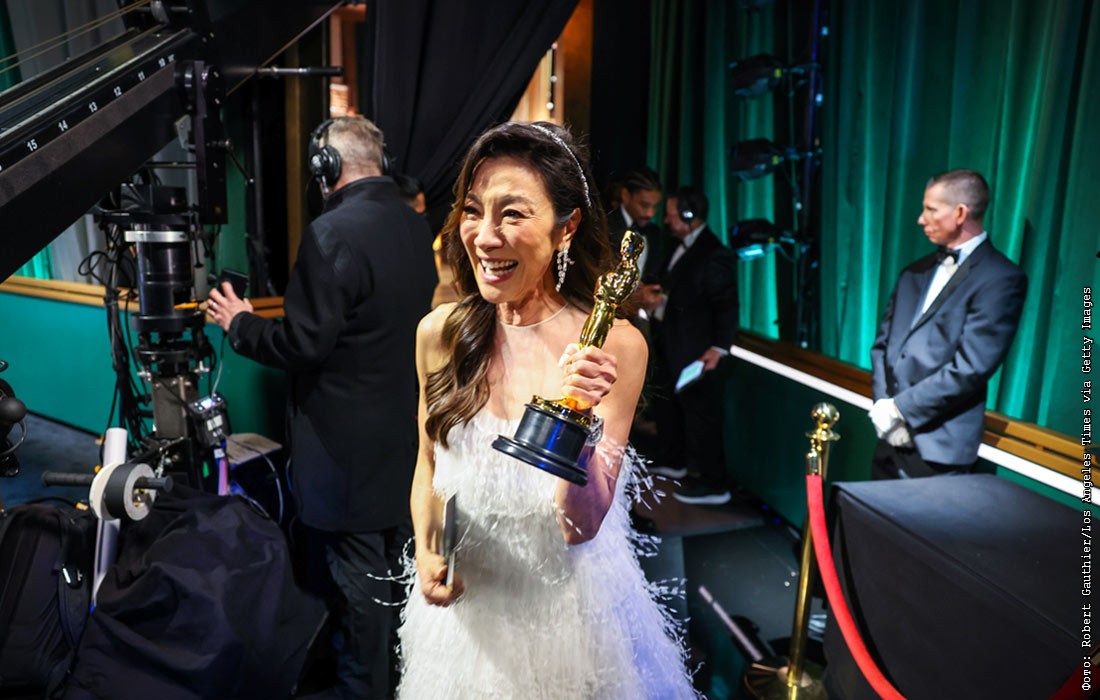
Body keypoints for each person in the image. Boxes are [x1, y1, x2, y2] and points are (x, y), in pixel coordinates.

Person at [397, 121, 699, 699]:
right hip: (467, 620)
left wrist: (579, 416)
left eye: (512, 214)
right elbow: (429, 466)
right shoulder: (440, 334)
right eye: (472, 211)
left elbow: (579, 527)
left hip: (569, 618)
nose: (485, 236)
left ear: (567, 227)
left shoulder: (613, 345)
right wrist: (429, 548)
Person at [207, 116, 437, 699]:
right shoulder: (415, 226)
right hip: (404, 442)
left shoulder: (330, 232)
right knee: (397, 583)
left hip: (346, 453)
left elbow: (302, 344)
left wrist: (240, 324)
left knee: (360, 600)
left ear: (325, 167)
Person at [869, 169, 1027, 479]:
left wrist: (900, 409)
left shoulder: (1001, 278)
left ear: (960, 213)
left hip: (939, 449)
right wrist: (883, 408)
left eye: (931, 209)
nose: (921, 219)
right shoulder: (913, 272)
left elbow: (971, 367)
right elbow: (882, 347)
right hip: (887, 437)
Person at [638, 186, 739, 506]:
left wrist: (718, 349)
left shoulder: (715, 253)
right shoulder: (677, 246)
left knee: (702, 416)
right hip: (671, 343)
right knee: (670, 407)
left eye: (671, 214)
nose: (666, 220)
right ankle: (674, 461)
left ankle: (714, 483)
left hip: (696, 350)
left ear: (689, 215)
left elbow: (727, 305)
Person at [605, 166, 666, 284]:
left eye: (655, 206)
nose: (650, 213)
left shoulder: (655, 234)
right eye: (644, 205)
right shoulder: (604, 228)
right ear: (626, 196)